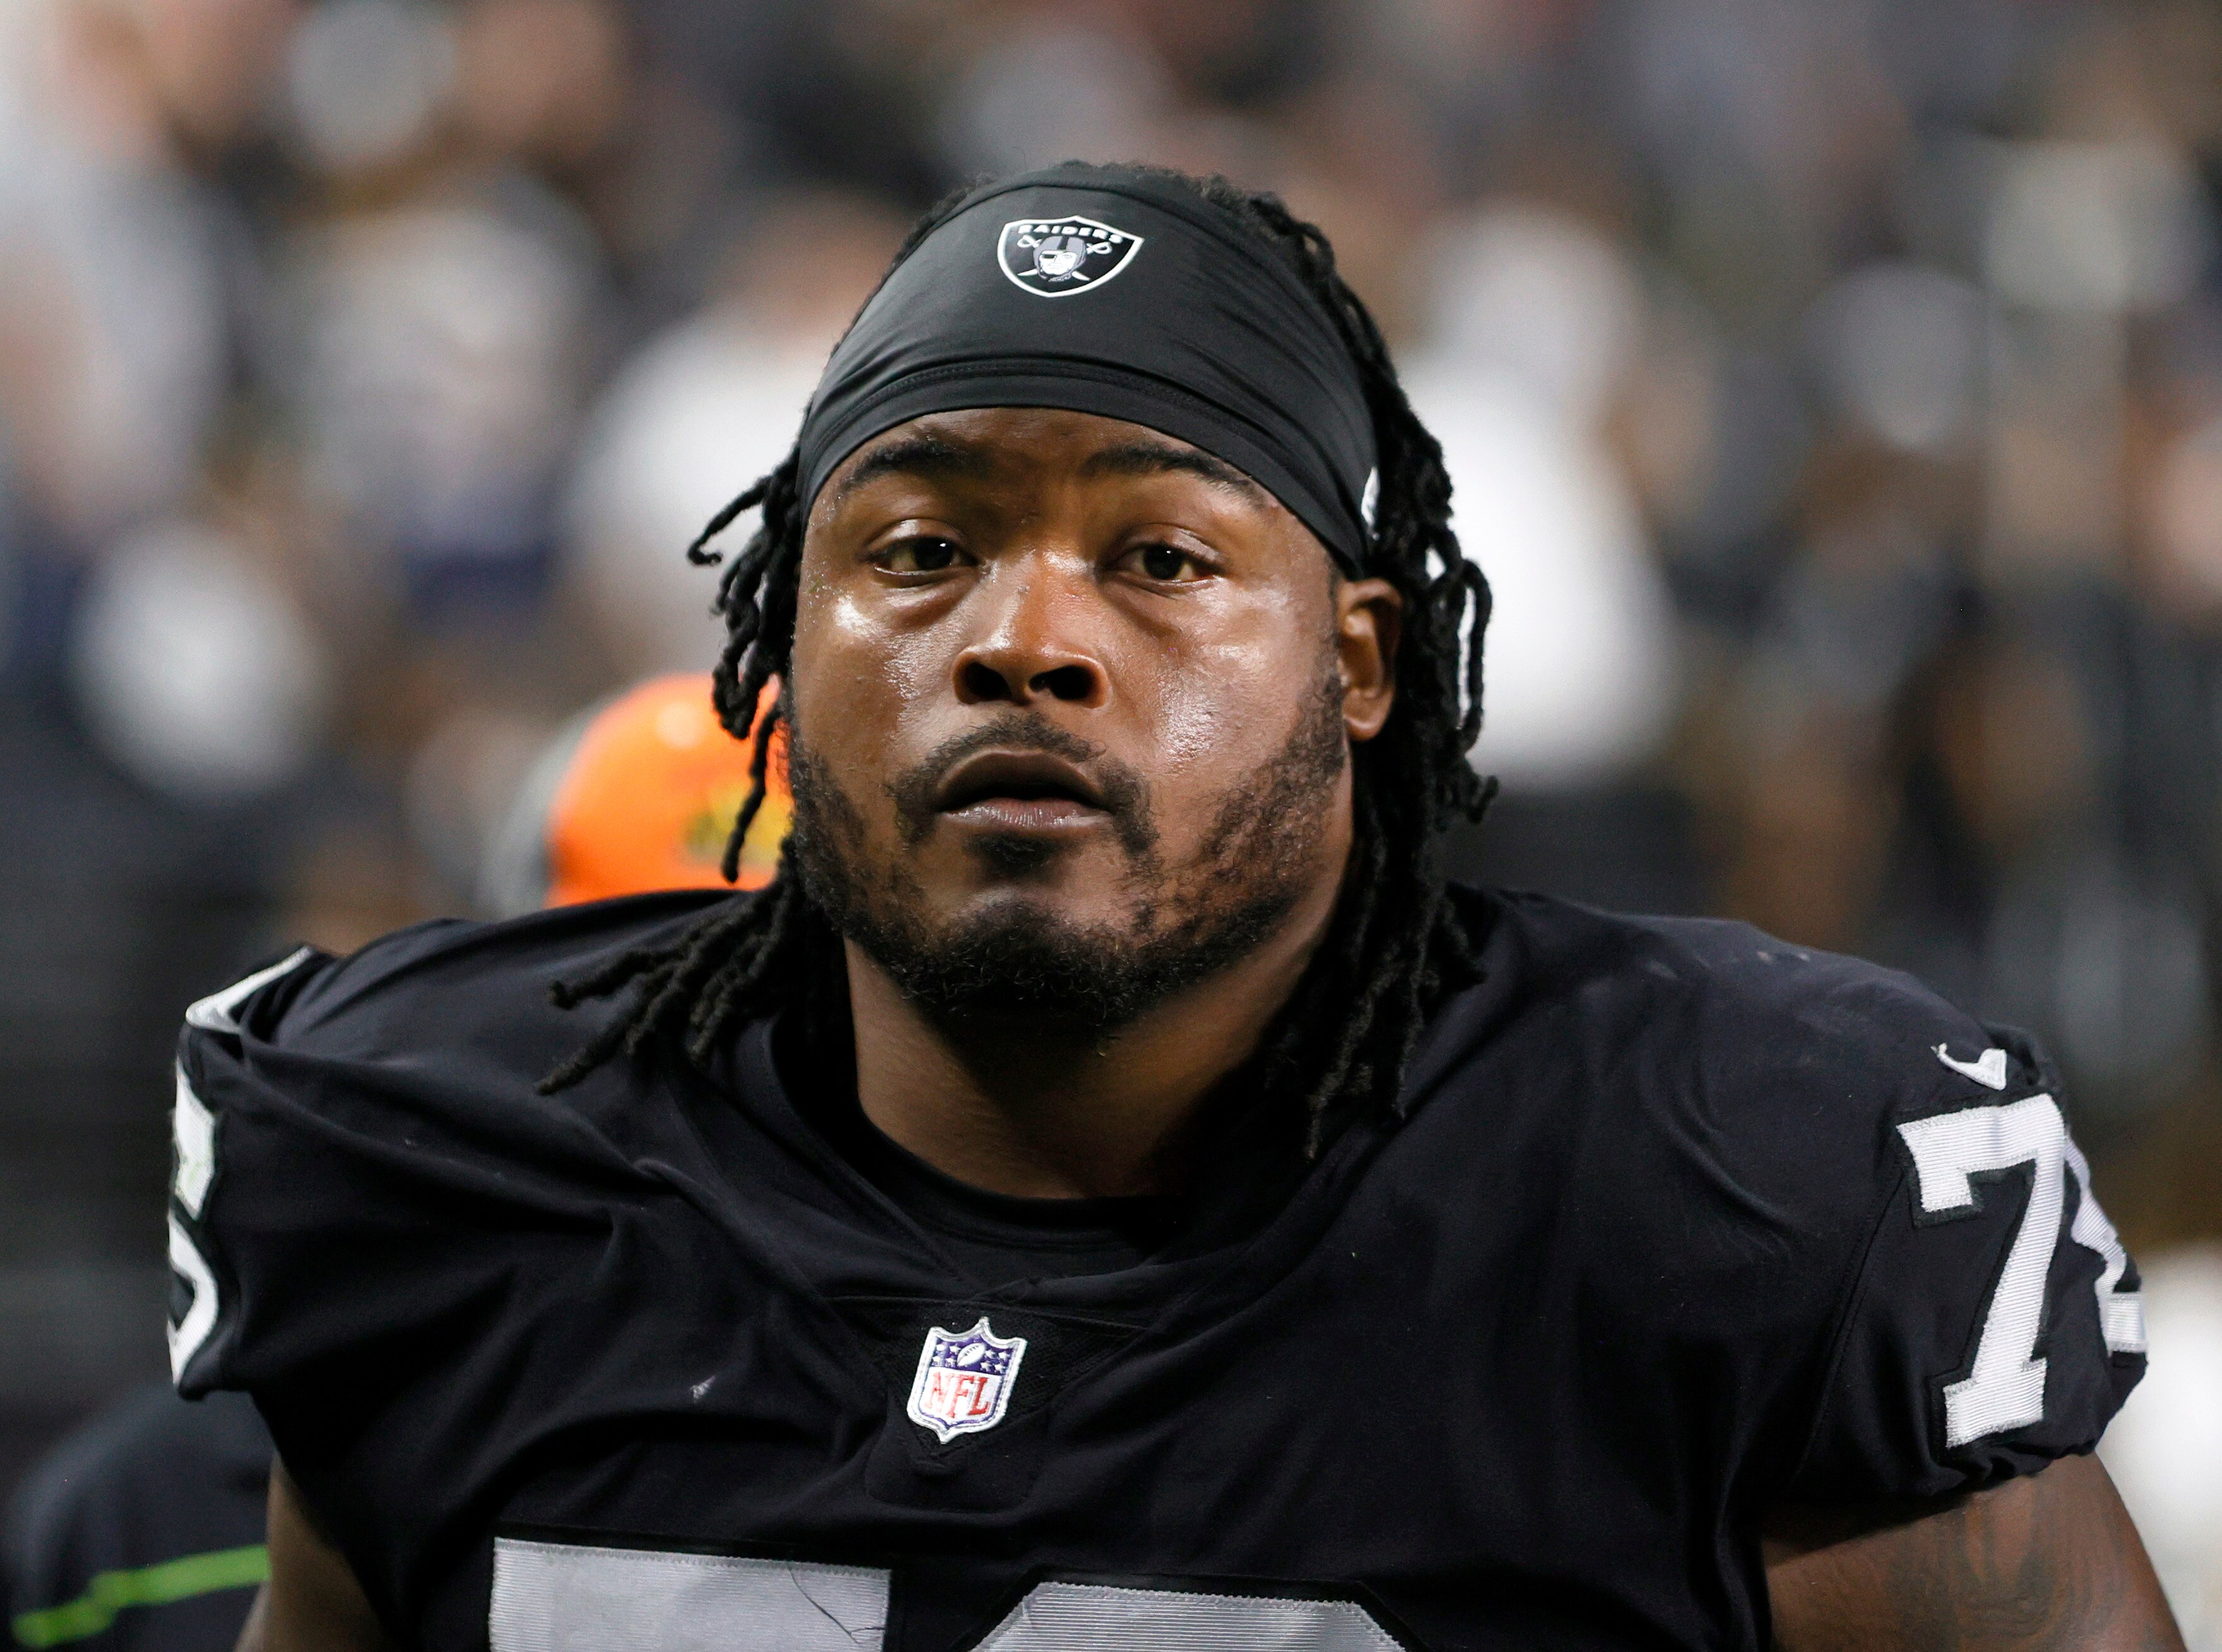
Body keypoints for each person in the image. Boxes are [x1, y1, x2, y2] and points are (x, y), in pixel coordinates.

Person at [167, 164, 2177, 1651]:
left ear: (1362, 664)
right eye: (921, 544)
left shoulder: (1737, 1188)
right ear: (778, 638)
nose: (1021, 640)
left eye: (1158, 559)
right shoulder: (437, 1150)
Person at [8, 674, 786, 1652]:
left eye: (786, 1029)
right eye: (633, 1006)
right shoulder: (144, 1511)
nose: (714, 1089)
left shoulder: (975, 1453)